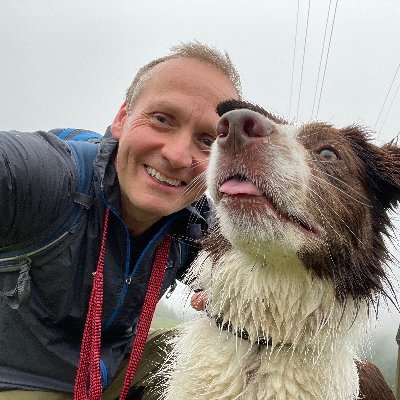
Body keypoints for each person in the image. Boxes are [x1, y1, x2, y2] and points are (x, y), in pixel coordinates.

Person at [0, 42, 241, 399]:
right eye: (162, 119)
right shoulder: (50, 179)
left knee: (224, 356)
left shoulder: (196, 226)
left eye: (207, 141)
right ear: (122, 119)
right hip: (24, 380)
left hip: (111, 375)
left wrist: (231, 294)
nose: (177, 156)